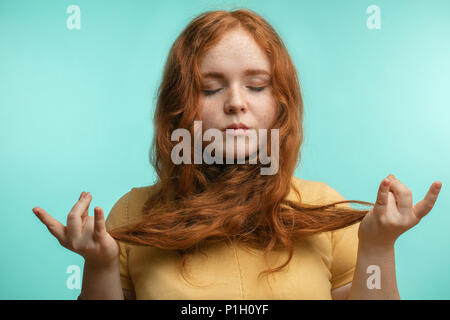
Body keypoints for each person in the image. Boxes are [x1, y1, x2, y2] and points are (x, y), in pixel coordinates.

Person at [32, 8, 442, 300]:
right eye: (211, 88)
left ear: (281, 103)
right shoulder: (131, 213)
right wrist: (98, 265)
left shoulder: (320, 205)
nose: (235, 103)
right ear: (180, 106)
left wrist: (379, 244)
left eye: (257, 85)